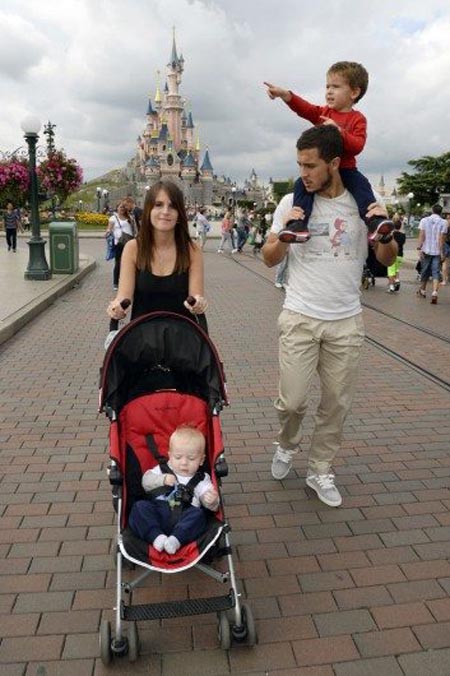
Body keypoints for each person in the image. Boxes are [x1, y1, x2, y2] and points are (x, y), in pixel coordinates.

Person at [262, 125, 397, 507]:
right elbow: (268, 258)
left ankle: (320, 468)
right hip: (300, 316)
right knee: (292, 402)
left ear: (335, 163)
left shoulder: (360, 205)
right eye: (299, 164)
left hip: (346, 321)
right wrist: (283, 237)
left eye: (310, 165)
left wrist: (385, 237)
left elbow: (386, 264)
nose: (303, 173)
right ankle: (287, 444)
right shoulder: (292, 202)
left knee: (336, 403)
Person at [264, 61, 393, 244]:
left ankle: (374, 221)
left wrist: (339, 131)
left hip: (346, 170)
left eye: (336, 86)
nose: (329, 91)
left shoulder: (358, 119)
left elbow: (357, 146)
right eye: (327, 86)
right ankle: (298, 224)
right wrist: (286, 95)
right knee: (302, 186)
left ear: (354, 92)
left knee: (362, 187)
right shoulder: (323, 112)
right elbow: (305, 109)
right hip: (322, 171)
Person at [106, 179, 208, 328]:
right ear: (148, 211)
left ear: (179, 213)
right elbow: (123, 297)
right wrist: (117, 308)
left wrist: (198, 303)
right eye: (158, 205)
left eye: (172, 206)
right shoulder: (133, 248)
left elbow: (196, 296)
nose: (165, 212)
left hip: (183, 339)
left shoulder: (192, 250)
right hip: (142, 338)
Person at [128, 425, 219, 554]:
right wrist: (162, 480)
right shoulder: (162, 469)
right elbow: (145, 482)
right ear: (170, 456)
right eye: (178, 457)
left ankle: (176, 540)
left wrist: (211, 501)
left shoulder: (202, 479)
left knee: (198, 515)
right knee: (139, 507)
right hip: (158, 511)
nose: (184, 463)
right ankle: (156, 537)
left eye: (191, 458)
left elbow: (209, 500)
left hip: (185, 515)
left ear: (201, 460)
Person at [416, 204, 447, 304]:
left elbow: (422, 235)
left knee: (424, 270)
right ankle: (434, 292)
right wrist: (442, 252)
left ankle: (423, 290)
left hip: (426, 250)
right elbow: (441, 239)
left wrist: (419, 248)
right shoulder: (444, 222)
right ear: (440, 212)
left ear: (432, 210)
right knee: (436, 272)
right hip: (437, 251)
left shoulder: (424, 220)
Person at [104, 201, 135, 290]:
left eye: (123, 207)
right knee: (118, 263)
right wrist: (107, 232)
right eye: (120, 207)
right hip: (119, 243)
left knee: (130, 263)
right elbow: (109, 228)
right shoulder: (113, 218)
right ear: (117, 208)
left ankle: (129, 281)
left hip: (130, 242)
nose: (122, 209)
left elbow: (134, 228)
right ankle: (116, 283)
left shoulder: (129, 217)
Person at [386, 214, 406, 293]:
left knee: (390, 271)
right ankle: (397, 280)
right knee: (396, 270)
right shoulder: (403, 235)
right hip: (400, 255)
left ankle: (391, 287)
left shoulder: (391, 235)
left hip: (392, 255)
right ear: (400, 226)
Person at [441, 212, 450, 285]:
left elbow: (442, 237)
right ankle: (445, 278)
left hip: (446, 244)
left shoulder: (444, 226)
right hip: (446, 244)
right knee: (446, 263)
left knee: (445, 263)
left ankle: (445, 280)